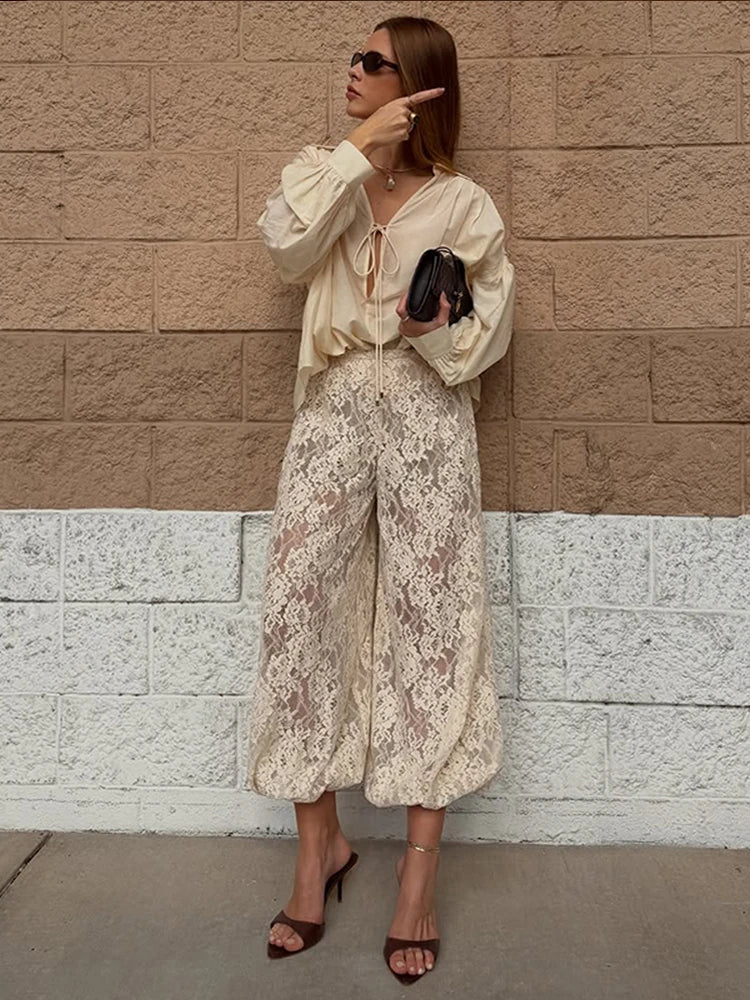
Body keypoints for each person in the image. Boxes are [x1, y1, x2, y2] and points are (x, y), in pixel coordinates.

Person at [245, 14, 516, 984]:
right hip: (329, 413)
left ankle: (418, 873)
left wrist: (432, 329)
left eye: (372, 63)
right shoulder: (326, 175)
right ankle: (318, 847)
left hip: (423, 414)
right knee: (298, 611)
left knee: (430, 623)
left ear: (421, 86)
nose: (350, 73)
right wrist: (358, 153)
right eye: (351, 61)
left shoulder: (466, 206)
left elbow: (487, 334)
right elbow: (283, 246)